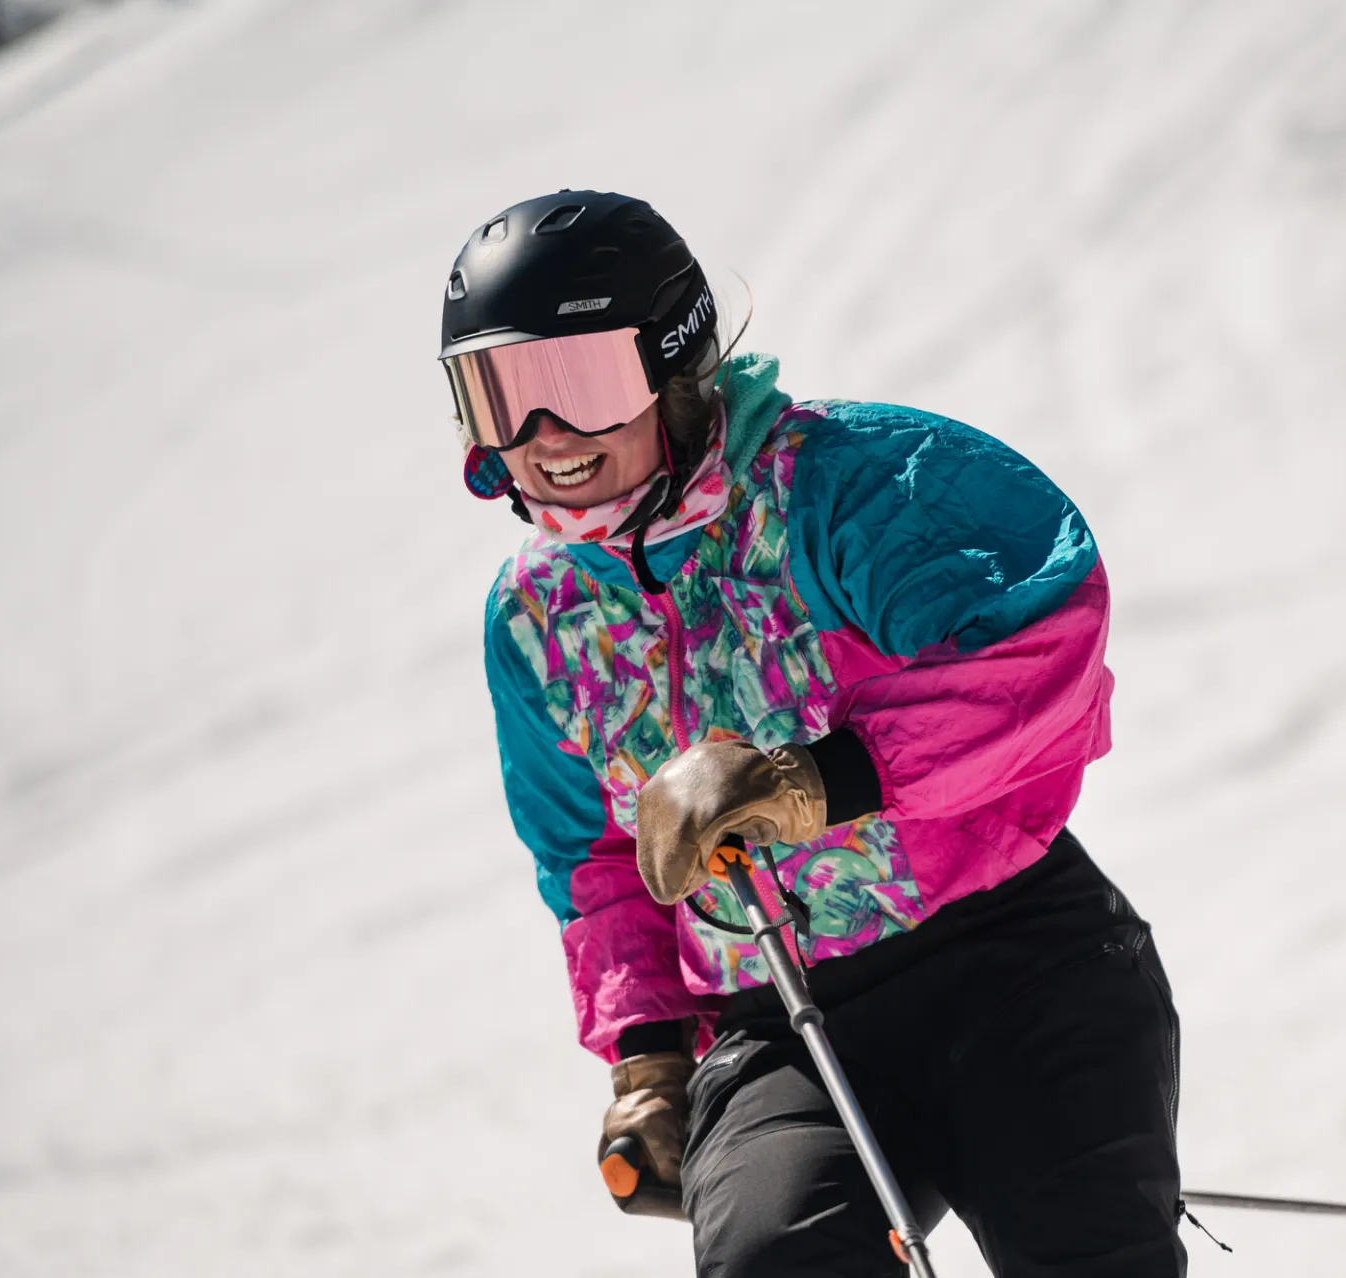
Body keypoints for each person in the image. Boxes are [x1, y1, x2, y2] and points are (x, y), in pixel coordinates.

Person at [444, 190, 1186, 1277]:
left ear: (675, 364)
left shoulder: (844, 488)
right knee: (772, 1257)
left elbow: (1039, 652)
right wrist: (649, 1064)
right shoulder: (536, 620)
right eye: (499, 395)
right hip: (778, 1020)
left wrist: (812, 779)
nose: (542, 437)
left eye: (581, 384)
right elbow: (597, 862)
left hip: (1013, 967)